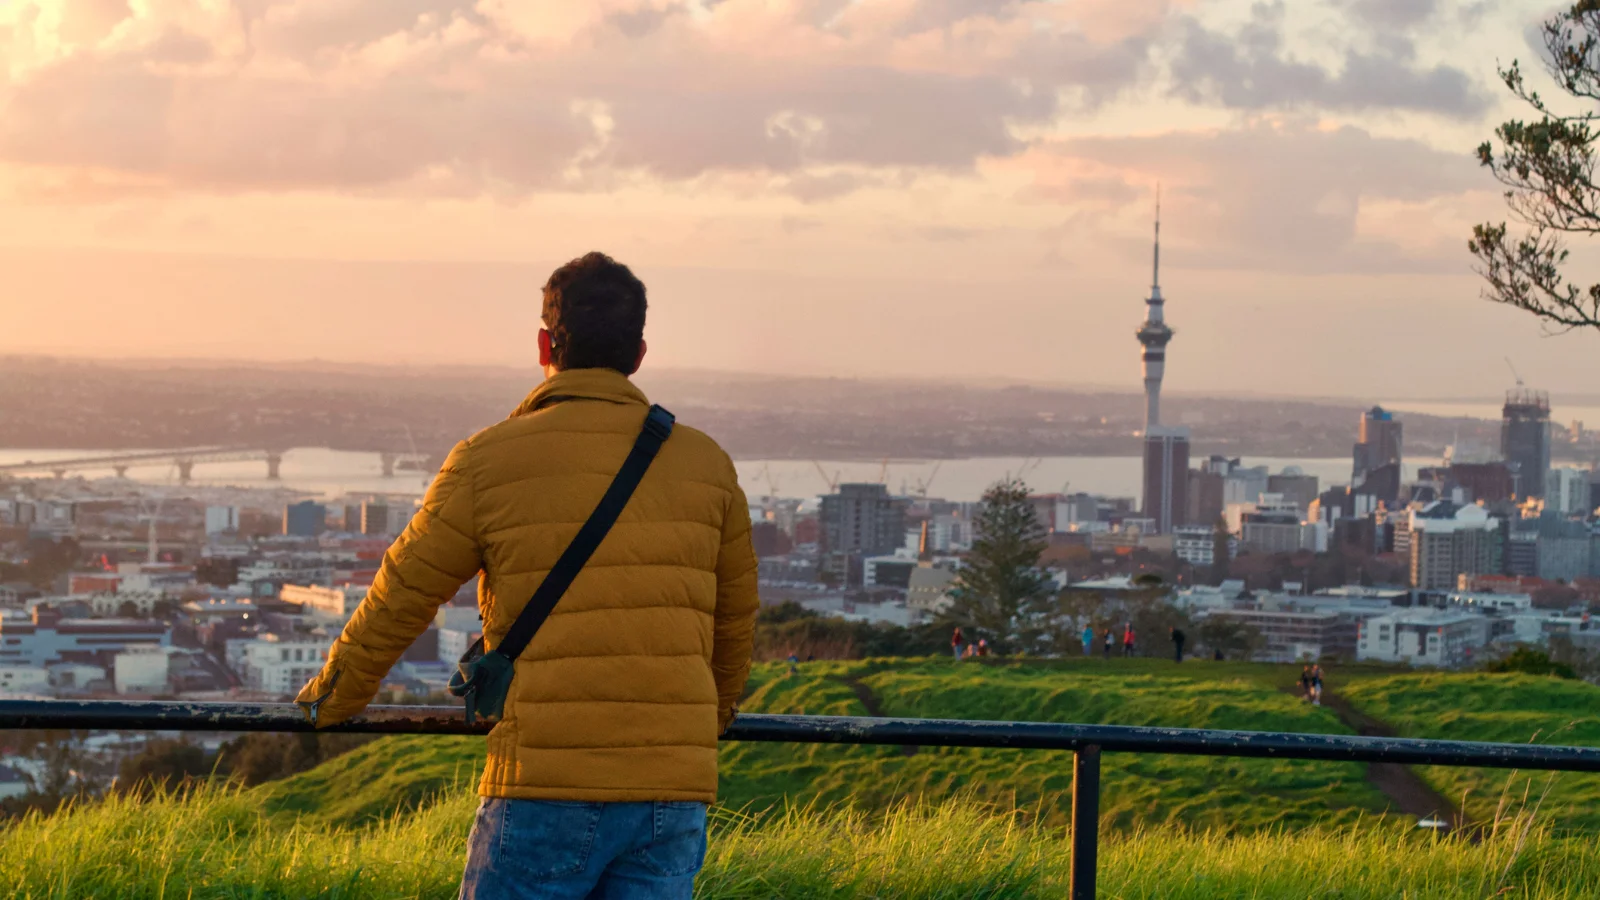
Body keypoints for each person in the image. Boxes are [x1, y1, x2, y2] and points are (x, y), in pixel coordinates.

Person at [292, 252, 760, 900]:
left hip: (544, 780)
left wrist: (329, 700)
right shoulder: (706, 464)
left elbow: (403, 591)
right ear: (641, 352)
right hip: (670, 791)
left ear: (544, 343)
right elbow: (734, 621)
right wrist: (709, 719)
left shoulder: (488, 460)